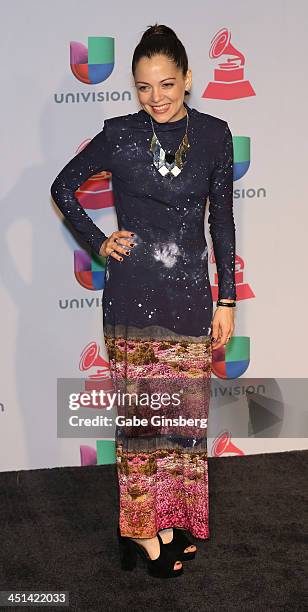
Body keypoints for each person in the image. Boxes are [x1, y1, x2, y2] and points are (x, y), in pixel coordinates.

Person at [50, 24, 236, 579]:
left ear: (188, 80)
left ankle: (171, 517)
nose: (156, 97)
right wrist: (99, 243)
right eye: (143, 86)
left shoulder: (214, 136)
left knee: (182, 421)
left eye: (167, 83)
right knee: (141, 423)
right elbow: (63, 187)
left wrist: (227, 298)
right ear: (133, 88)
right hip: (132, 299)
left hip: (188, 298)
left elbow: (220, 223)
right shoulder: (120, 134)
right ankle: (141, 531)